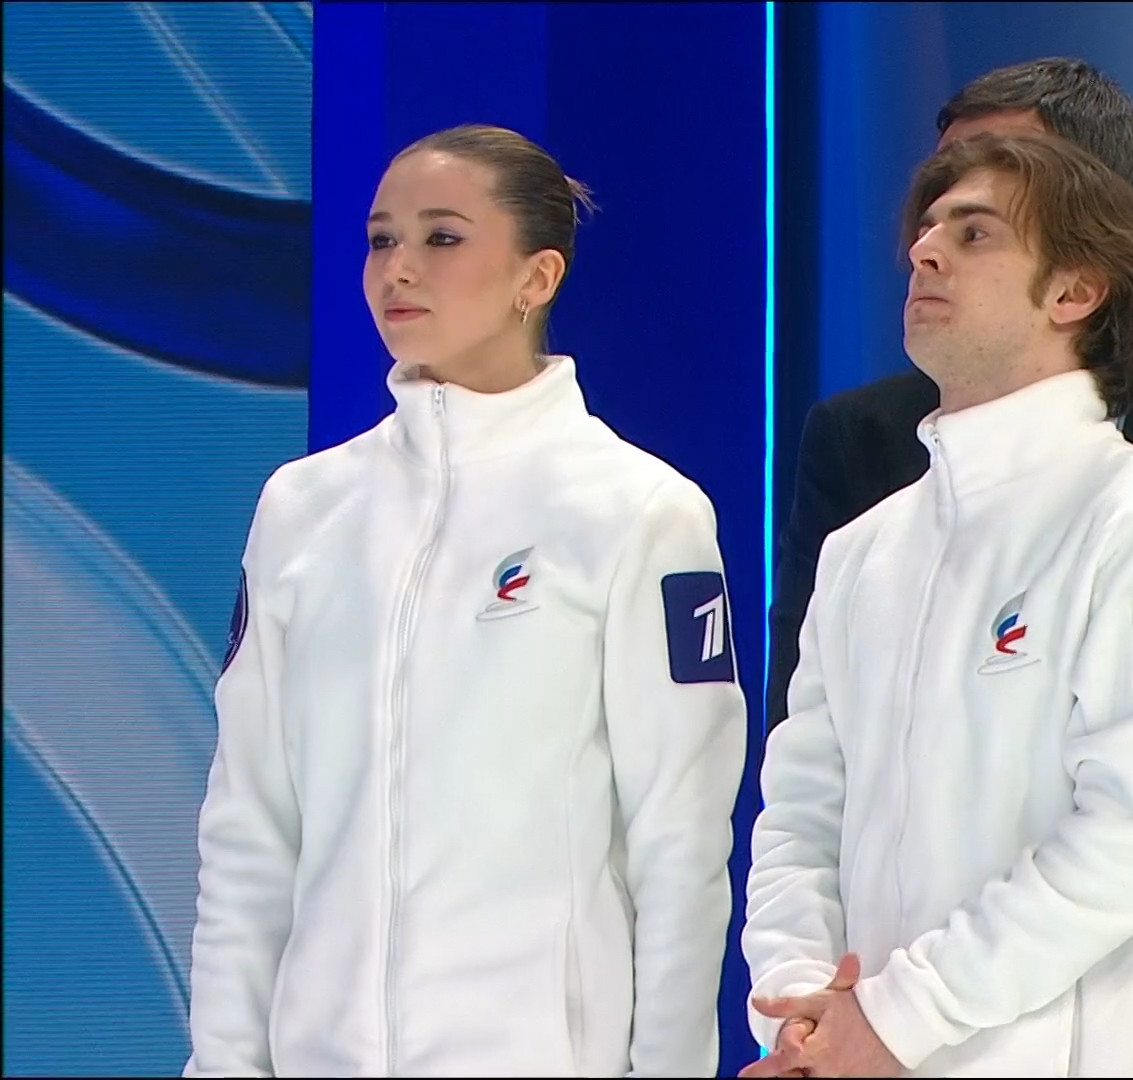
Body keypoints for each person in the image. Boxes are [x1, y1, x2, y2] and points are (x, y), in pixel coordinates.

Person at [183, 124, 746, 1077]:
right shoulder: (303, 508)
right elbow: (249, 828)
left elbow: (680, 847)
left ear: (538, 276)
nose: (398, 268)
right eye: (380, 240)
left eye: (441, 237)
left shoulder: (638, 510)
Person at [741, 132, 1133, 1078]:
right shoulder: (862, 552)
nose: (924, 251)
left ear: (1075, 291)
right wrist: (797, 1004)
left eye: (974, 234)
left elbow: (1129, 843)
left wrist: (898, 1017)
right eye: (927, 230)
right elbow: (800, 813)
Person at [769, 57, 1133, 730]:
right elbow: (804, 737)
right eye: (939, 198)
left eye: (981, 220)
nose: (928, 245)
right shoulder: (857, 461)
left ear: (1090, 248)